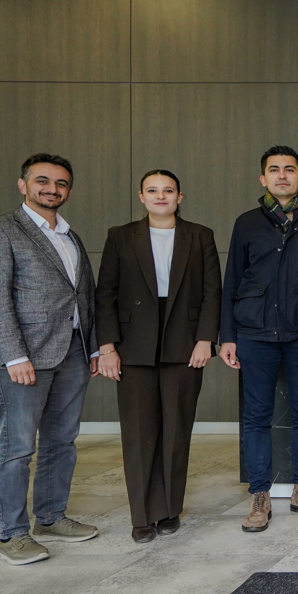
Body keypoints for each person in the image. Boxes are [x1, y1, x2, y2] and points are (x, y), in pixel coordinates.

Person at [0, 154, 101, 565]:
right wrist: (14, 356)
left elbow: (84, 297)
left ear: (69, 191)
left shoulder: (69, 235)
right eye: (42, 180)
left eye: (61, 183)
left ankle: (50, 518)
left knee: (62, 441)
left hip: (72, 353)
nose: (52, 189)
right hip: (23, 358)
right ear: (23, 185)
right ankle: (11, 536)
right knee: (18, 447)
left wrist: (94, 347)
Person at [219, 146, 298, 532]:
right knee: (256, 416)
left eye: (290, 170)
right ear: (263, 178)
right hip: (254, 333)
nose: (282, 175)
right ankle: (260, 495)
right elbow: (232, 281)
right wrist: (227, 336)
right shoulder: (246, 223)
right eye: (274, 170)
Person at [95, 170, 222, 543]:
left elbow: (212, 291)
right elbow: (105, 293)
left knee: (176, 430)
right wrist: (107, 347)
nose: (160, 196)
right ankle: (142, 515)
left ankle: (169, 509)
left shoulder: (200, 235)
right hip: (133, 344)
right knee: (139, 433)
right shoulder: (120, 236)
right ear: (141, 196)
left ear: (180, 197)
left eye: (168, 190)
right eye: (153, 190)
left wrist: (205, 340)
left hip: (185, 341)